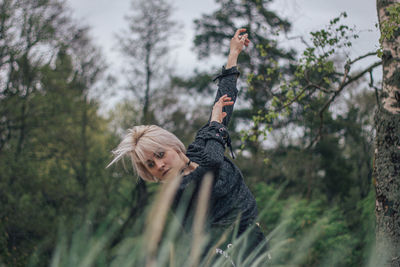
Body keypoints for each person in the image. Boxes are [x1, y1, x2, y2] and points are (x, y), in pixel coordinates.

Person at [108, 28, 267, 260]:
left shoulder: (200, 148)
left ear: (173, 145)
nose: (159, 165)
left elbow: (224, 104)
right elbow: (212, 163)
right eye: (150, 164)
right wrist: (215, 123)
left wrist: (233, 54)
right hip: (219, 255)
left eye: (160, 154)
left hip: (252, 240)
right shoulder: (176, 190)